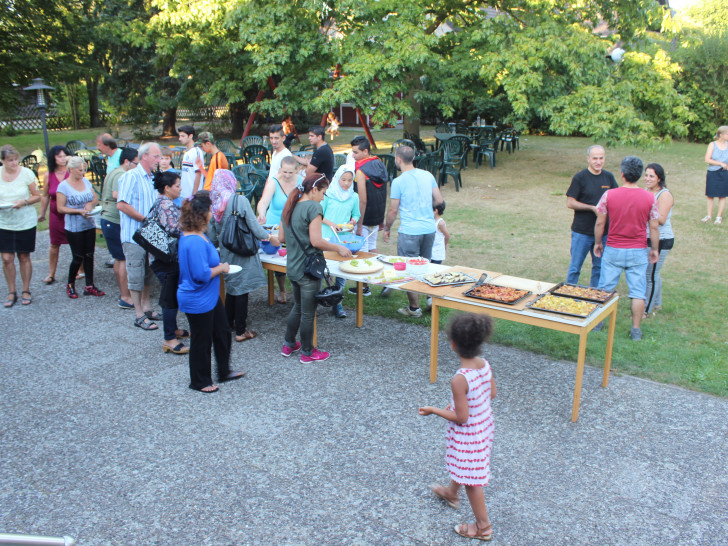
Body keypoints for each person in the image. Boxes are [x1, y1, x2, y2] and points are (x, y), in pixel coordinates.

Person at [419, 313, 496, 542]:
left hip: (469, 435)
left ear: (453, 344)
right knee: (467, 466)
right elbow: (491, 393)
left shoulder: (459, 379)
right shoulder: (484, 364)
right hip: (484, 427)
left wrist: (434, 409)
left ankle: (483, 527)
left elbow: (461, 417)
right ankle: (451, 493)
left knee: (473, 481)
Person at [278, 174, 352, 363]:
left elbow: (281, 238)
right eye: (323, 193)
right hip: (308, 270)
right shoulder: (313, 207)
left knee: (298, 307)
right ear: (314, 189)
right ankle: (308, 353)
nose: (323, 197)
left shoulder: (290, 205)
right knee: (308, 313)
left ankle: (288, 345)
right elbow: (316, 241)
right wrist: (339, 247)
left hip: (293, 268)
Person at [177, 191, 244, 393]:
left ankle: (224, 371)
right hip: (197, 298)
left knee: (222, 332)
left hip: (209, 296)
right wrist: (222, 268)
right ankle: (199, 381)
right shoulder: (194, 240)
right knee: (201, 339)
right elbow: (201, 274)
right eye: (209, 211)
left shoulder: (196, 235)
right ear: (201, 214)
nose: (211, 214)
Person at [207, 169, 280, 342]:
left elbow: (211, 235)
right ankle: (241, 331)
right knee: (242, 290)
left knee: (232, 287)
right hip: (242, 249)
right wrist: (270, 237)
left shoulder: (214, 203)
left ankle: (228, 323)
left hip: (226, 251)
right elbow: (255, 228)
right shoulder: (239, 200)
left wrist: (222, 245)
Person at [594, 156, 659, 341]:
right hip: (638, 251)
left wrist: (598, 243)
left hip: (613, 248)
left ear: (622, 174)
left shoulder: (609, 195)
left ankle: (598, 323)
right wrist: (654, 249)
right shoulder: (649, 197)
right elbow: (654, 226)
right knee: (638, 292)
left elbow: (600, 222)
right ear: (639, 175)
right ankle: (636, 330)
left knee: (605, 288)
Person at [382, 145, 444, 317]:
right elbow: (439, 200)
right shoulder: (428, 175)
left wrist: (387, 227)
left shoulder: (398, 181)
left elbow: (393, 210)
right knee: (425, 265)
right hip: (428, 229)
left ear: (398, 159)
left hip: (409, 231)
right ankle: (430, 298)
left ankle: (414, 308)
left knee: (409, 268)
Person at [117, 142, 162, 330]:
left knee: (148, 273)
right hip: (134, 235)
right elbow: (122, 204)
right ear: (144, 156)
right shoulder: (131, 177)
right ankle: (138, 315)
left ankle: (147, 307)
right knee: (135, 274)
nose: (158, 161)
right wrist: (145, 219)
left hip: (149, 235)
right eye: (156, 157)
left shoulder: (152, 178)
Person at [565, 145, 619, 287]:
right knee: (575, 267)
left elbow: (617, 197)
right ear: (588, 159)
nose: (598, 161)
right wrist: (591, 208)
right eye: (595, 158)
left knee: (599, 267)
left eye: (601, 158)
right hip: (582, 232)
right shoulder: (580, 178)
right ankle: (567, 294)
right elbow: (570, 203)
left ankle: (594, 296)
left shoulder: (609, 177)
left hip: (603, 233)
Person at [149, 171, 189, 354]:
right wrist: (189, 219)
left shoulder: (163, 202)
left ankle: (173, 330)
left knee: (171, 294)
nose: (180, 188)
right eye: (177, 185)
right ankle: (169, 339)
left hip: (164, 258)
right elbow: (175, 229)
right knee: (169, 299)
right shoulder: (165, 205)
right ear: (167, 188)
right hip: (165, 260)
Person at [56, 156, 104, 298]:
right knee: (78, 256)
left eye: (84, 170)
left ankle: (90, 285)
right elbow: (60, 208)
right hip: (74, 227)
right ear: (71, 169)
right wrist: (78, 211)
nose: (82, 173)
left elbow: (94, 198)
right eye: (79, 170)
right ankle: (70, 284)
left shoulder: (85, 181)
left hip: (88, 224)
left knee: (89, 255)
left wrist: (90, 204)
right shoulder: (63, 186)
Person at [0, 145, 41, 307]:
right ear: (2, 161)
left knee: (24, 256)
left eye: (16, 159)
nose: (14, 163)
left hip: (25, 221)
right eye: (10, 160)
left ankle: (26, 289)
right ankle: (11, 291)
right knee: (6, 258)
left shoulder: (26, 173)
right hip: (4, 222)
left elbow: (37, 196)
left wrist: (23, 202)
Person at [257, 155, 299, 303]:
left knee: (294, 257)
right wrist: (261, 213)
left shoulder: (301, 182)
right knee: (276, 258)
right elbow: (263, 202)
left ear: (297, 171)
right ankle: (282, 289)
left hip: (294, 224)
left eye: (291, 172)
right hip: (275, 224)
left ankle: (297, 288)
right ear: (280, 169)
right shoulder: (274, 182)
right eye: (284, 172)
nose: (287, 175)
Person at [100, 147, 137, 309]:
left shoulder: (114, 171)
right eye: (135, 163)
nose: (137, 166)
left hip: (109, 219)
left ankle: (123, 292)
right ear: (127, 161)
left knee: (118, 257)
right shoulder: (122, 174)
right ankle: (126, 297)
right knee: (122, 258)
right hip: (113, 219)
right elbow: (116, 194)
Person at [321, 164, 360, 318]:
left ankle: (338, 303)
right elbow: (318, 215)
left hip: (344, 238)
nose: (346, 183)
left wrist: (353, 221)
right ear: (337, 178)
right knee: (328, 270)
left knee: (342, 270)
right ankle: (330, 295)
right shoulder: (327, 195)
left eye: (350, 180)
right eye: (343, 179)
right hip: (326, 237)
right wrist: (330, 223)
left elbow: (356, 214)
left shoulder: (354, 196)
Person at [37, 145, 73, 285]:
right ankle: (51, 273)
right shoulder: (48, 175)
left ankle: (80, 270)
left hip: (71, 213)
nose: (62, 159)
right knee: (54, 244)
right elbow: (45, 195)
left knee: (75, 242)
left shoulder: (71, 171)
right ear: (53, 158)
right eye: (59, 156)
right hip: (55, 214)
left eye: (64, 156)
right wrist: (42, 213)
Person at [643, 163, 674, 318]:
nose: (647, 179)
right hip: (648, 237)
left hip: (662, 239)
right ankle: (657, 302)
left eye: (651, 176)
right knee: (654, 272)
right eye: (646, 175)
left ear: (659, 178)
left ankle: (645, 311)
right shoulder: (646, 191)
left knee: (650, 275)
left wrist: (643, 211)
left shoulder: (664, 195)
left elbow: (660, 220)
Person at [702, 125, 728, 224]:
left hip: (724, 173)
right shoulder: (712, 144)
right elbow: (707, 159)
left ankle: (719, 217)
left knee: (722, 195)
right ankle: (709, 216)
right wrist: (720, 163)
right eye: (727, 134)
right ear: (721, 135)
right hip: (713, 173)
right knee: (710, 195)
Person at [178, 125, 204, 198]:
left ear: (190, 136)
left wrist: (194, 194)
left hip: (191, 195)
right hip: (184, 194)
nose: (180, 139)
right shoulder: (187, 152)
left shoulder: (196, 152)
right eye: (179, 136)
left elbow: (198, 173)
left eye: (183, 136)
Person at [266, 124, 292, 189]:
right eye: (271, 138)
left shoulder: (286, 155)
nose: (273, 141)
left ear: (283, 138)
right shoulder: (275, 153)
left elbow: (286, 180)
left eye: (276, 138)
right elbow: (271, 175)